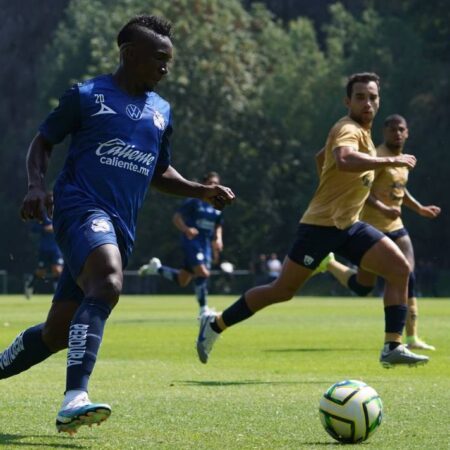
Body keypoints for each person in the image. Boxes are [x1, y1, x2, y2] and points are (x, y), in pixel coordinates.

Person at [0, 15, 234, 435]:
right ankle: (75, 398)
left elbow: (158, 172)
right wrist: (36, 186)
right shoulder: (87, 95)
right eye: (159, 59)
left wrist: (200, 190)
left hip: (120, 227)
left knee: (57, 333)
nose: (166, 68)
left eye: (169, 60)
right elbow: (44, 141)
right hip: (79, 209)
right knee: (108, 282)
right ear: (129, 55)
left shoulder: (162, 112)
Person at [196, 72, 429, 369]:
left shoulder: (365, 134)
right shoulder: (347, 128)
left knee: (399, 269)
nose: (367, 102)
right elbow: (343, 159)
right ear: (348, 101)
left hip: (348, 225)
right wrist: (389, 160)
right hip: (319, 228)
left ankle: (392, 346)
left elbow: (323, 157)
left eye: (373, 97)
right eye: (360, 97)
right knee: (281, 291)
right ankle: (214, 325)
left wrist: (330, 182)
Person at [318, 115, 441, 350]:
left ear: (407, 133)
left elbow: (400, 191)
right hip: (372, 229)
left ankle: (412, 337)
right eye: (392, 129)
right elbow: (363, 187)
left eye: (401, 129)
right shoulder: (377, 155)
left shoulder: (402, 160)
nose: (397, 133)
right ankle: (330, 264)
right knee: (363, 287)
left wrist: (420, 209)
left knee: (408, 274)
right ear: (384, 132)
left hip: (396, 227)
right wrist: (384, 208)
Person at [138, 171, 224, 316]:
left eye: (216, 183)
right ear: (205, 184)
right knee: (203, 273)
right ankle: (204, 311)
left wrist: (218, 239)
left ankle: (157, 269)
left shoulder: (217, 205)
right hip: (191, 242)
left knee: (182, 280)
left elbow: (218, 225)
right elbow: (177, 217)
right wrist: (186, 229)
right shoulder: (194, 201)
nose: (214, 186)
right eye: (211, 183)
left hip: (205, 245)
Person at [24, 207, 64, 299]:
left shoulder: (62, 215)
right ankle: (29, 285)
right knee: (41, 272)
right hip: (44, 248)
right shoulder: (43, 216)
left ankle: (59, 294)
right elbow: (33, 228)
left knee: (58, 270)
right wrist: (44, 228)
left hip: (56, 248)